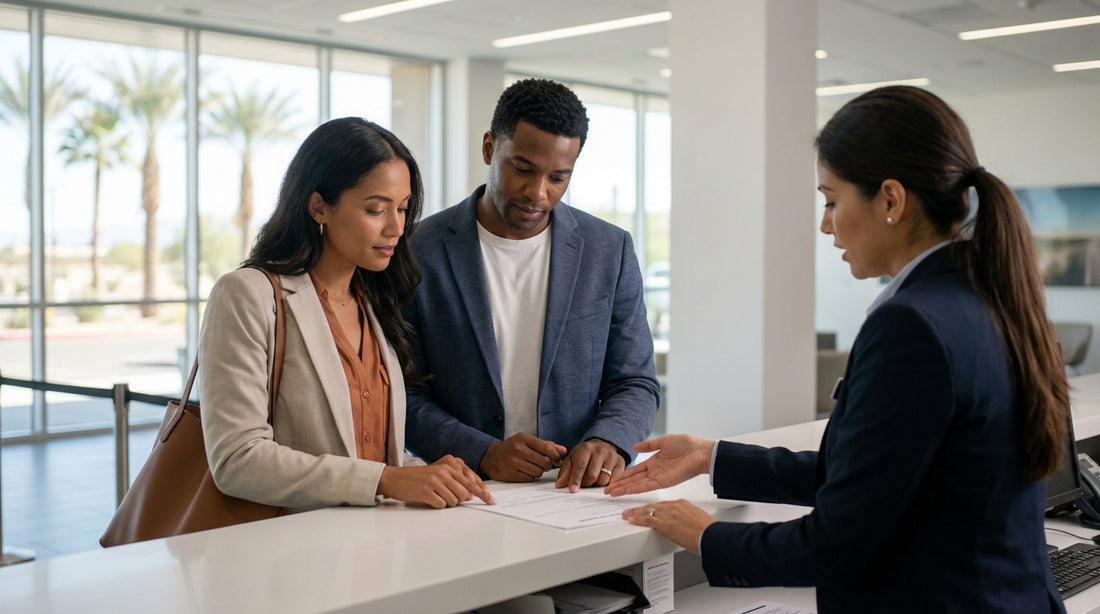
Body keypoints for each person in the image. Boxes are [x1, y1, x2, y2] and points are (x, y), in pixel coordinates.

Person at [606, 86, 1069, 613]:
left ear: (891, 200)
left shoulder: (911, 325)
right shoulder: (990, 296)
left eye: (831, 200)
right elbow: (882, 475)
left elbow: (838, 543)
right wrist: (715, 458)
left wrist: (707, 537)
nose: (825, 224)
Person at [199, 117, 493, 511]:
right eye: (376, 210)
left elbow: (370, 457)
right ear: (319, 206)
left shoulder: (378, 301)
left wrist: (426, 474)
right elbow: (237, 458)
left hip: (372, 547)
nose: (396, 228)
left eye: (403, 209)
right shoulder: (247, 294)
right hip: (284, 553)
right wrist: (389, 479)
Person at [404, 78, 660, 492]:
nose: (537, 193)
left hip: (574, 492)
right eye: (522, 169)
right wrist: (482, 451)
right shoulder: (417, 251)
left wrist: (606, 439)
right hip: (463, 489)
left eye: (558, 177)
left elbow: (635, 381)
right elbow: (401, 394)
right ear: (489, 148)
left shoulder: (608, 251)